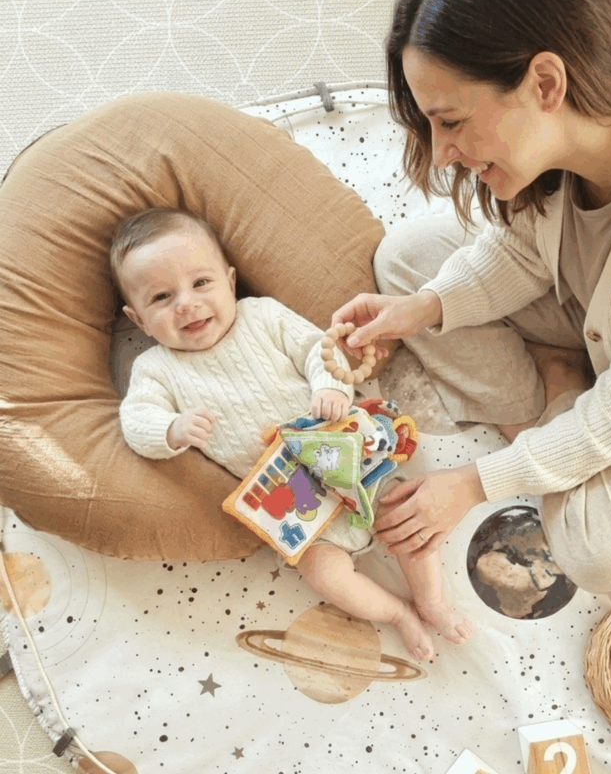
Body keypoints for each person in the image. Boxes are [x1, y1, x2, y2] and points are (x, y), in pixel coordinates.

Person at [332, 0, 611, 595]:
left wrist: (474, 483)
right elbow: (524, 249)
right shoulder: (585, 100)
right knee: (404, 261)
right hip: (591, 300)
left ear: (545, 84)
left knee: (600, 555)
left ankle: (555, 389)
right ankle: (559, 384)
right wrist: (422, 308)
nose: (442, 155)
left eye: (451, 121)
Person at [113, 207, 472, 661]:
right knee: (325, 576)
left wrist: (329, 387)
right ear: (139, 320)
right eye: (162, 297)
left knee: (407, 518)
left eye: (201, 283)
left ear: (230, 281)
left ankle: (431, 601)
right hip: (293, 504)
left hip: (350, 459)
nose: (186, 304)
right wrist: (171, 428)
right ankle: (397, 613)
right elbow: (135, 422)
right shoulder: (155, 369)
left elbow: (317, 351)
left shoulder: (261, 316)